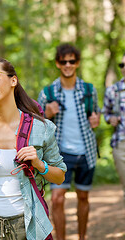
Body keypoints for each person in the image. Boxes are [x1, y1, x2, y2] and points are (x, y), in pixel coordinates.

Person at [0, 57, 66, 240]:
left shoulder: (41, 127)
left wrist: (38, 163)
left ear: (13, 80)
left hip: (28, 225)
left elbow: (60, 176)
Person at [37, 43, 101, 240]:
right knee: (57, 199)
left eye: (71, 61)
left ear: (77, 63)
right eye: (63, 61)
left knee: (83, 197)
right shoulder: (48, 93)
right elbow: (36, 124)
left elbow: (96, 116)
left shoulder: (89, 90)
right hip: (60, 154)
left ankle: (82, 237)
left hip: (86, 152)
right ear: (57, 63)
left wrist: (96, 120)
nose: (67, 65)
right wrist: (46, 113)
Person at [103, 53, 125, 202]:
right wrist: (110, 118)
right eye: (122, 65)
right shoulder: (113, 90)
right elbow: (105, 112)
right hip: (121, 143)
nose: (124, 68)